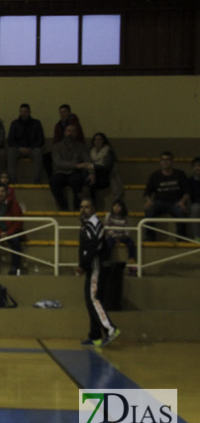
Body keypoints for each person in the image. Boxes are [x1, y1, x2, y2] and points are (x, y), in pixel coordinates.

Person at [78, 198, 121, 347]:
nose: (84, 209)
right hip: (91, 269)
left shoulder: (94, 224)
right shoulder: (86, 225)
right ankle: (95, 335)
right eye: (82, 207)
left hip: (96, 269)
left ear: (93, 208)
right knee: (90, 302)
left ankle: (110, 329)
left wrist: (83, 264)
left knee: (94, 300)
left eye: (87, 207)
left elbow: (93, 246)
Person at [143, 151, 190, 241]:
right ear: (160, 162)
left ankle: (181, 237)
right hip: (159, 202)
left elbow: (187, 192)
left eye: (168, 159)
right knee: (149, 211)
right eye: (163, 160)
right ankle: (150, 237)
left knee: (180, 211)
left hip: (175, 202)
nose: (165, 162)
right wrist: (148, 201)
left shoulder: (180, 174)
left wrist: (183, 202)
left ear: (172, 161)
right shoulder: (155, 175)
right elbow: (147, 192)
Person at [49, 124, 93, 211]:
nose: (70, 133)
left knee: (77, 181)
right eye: (68, 131)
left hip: (74, 172)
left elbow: (88, 161)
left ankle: (77, 206)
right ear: (64, 133)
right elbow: (58, 163)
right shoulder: (57, 147)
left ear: (76, 134)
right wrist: (76, 165)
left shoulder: (81, 147)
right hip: (60, 172)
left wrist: (92, 173)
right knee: (53, 182)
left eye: (73, 131)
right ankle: (63, 206)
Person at [0, 184, 24, 275]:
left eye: (3, 191)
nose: (0, 193)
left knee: (16, 241)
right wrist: (0, 233)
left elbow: (18, 222)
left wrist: (8, 233)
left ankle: (14, 267)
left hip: (11, 231)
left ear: (7, 192)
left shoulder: (14, 204)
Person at [6, 103, 44, 183]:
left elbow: (41, 140)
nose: (23, 114)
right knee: (11, 152)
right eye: (21, 112)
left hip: (32, 149)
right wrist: (19, 148)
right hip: (18, 149)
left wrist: (31, 148)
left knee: (38, 152)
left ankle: (36, 180)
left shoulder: (36, 123)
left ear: (29, 112)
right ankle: (12, 179)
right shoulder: (14, 123)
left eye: (25, 112)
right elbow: (10, 140)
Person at [104, 199, 137, 275]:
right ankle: (106, 262)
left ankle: (132, 265)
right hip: (111, 235)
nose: (116, 208)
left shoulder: (125, 218)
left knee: (131, 244)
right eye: (115, 206)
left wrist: (121, 236)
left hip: (122, 236)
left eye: (118, 206)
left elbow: (127, 230)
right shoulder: (109, 215)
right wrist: (115, 236)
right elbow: (106, 227)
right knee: (108, 244)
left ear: (122, 208)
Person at [89, 132, 124, 201]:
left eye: (99, 139)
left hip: (107, 176)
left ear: (104, 141)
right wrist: (92, 173)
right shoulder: (91, 152)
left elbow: (107, 168)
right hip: (95, 174)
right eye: (95, 140)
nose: (97, 142)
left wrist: (93, 167)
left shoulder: (108, 152)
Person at [191, 158, 200, 241]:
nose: (197, 168)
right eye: (195, 166)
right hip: (196, 203)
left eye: (199, 165)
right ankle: (197, 237)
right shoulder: (190, 181)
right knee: (195, 209)